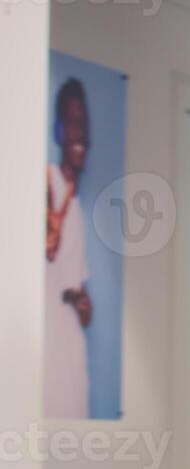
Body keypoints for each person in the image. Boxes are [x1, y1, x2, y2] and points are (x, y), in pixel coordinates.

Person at [45, 77, 92, 419]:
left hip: (71, 353)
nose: (80, 134)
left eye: (84, 124)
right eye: (72, 123)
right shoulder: (44, 182)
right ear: (59, 132)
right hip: (44, 351)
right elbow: (48, 248)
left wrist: (82, 304)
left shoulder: (77, 206)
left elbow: (76, 289)